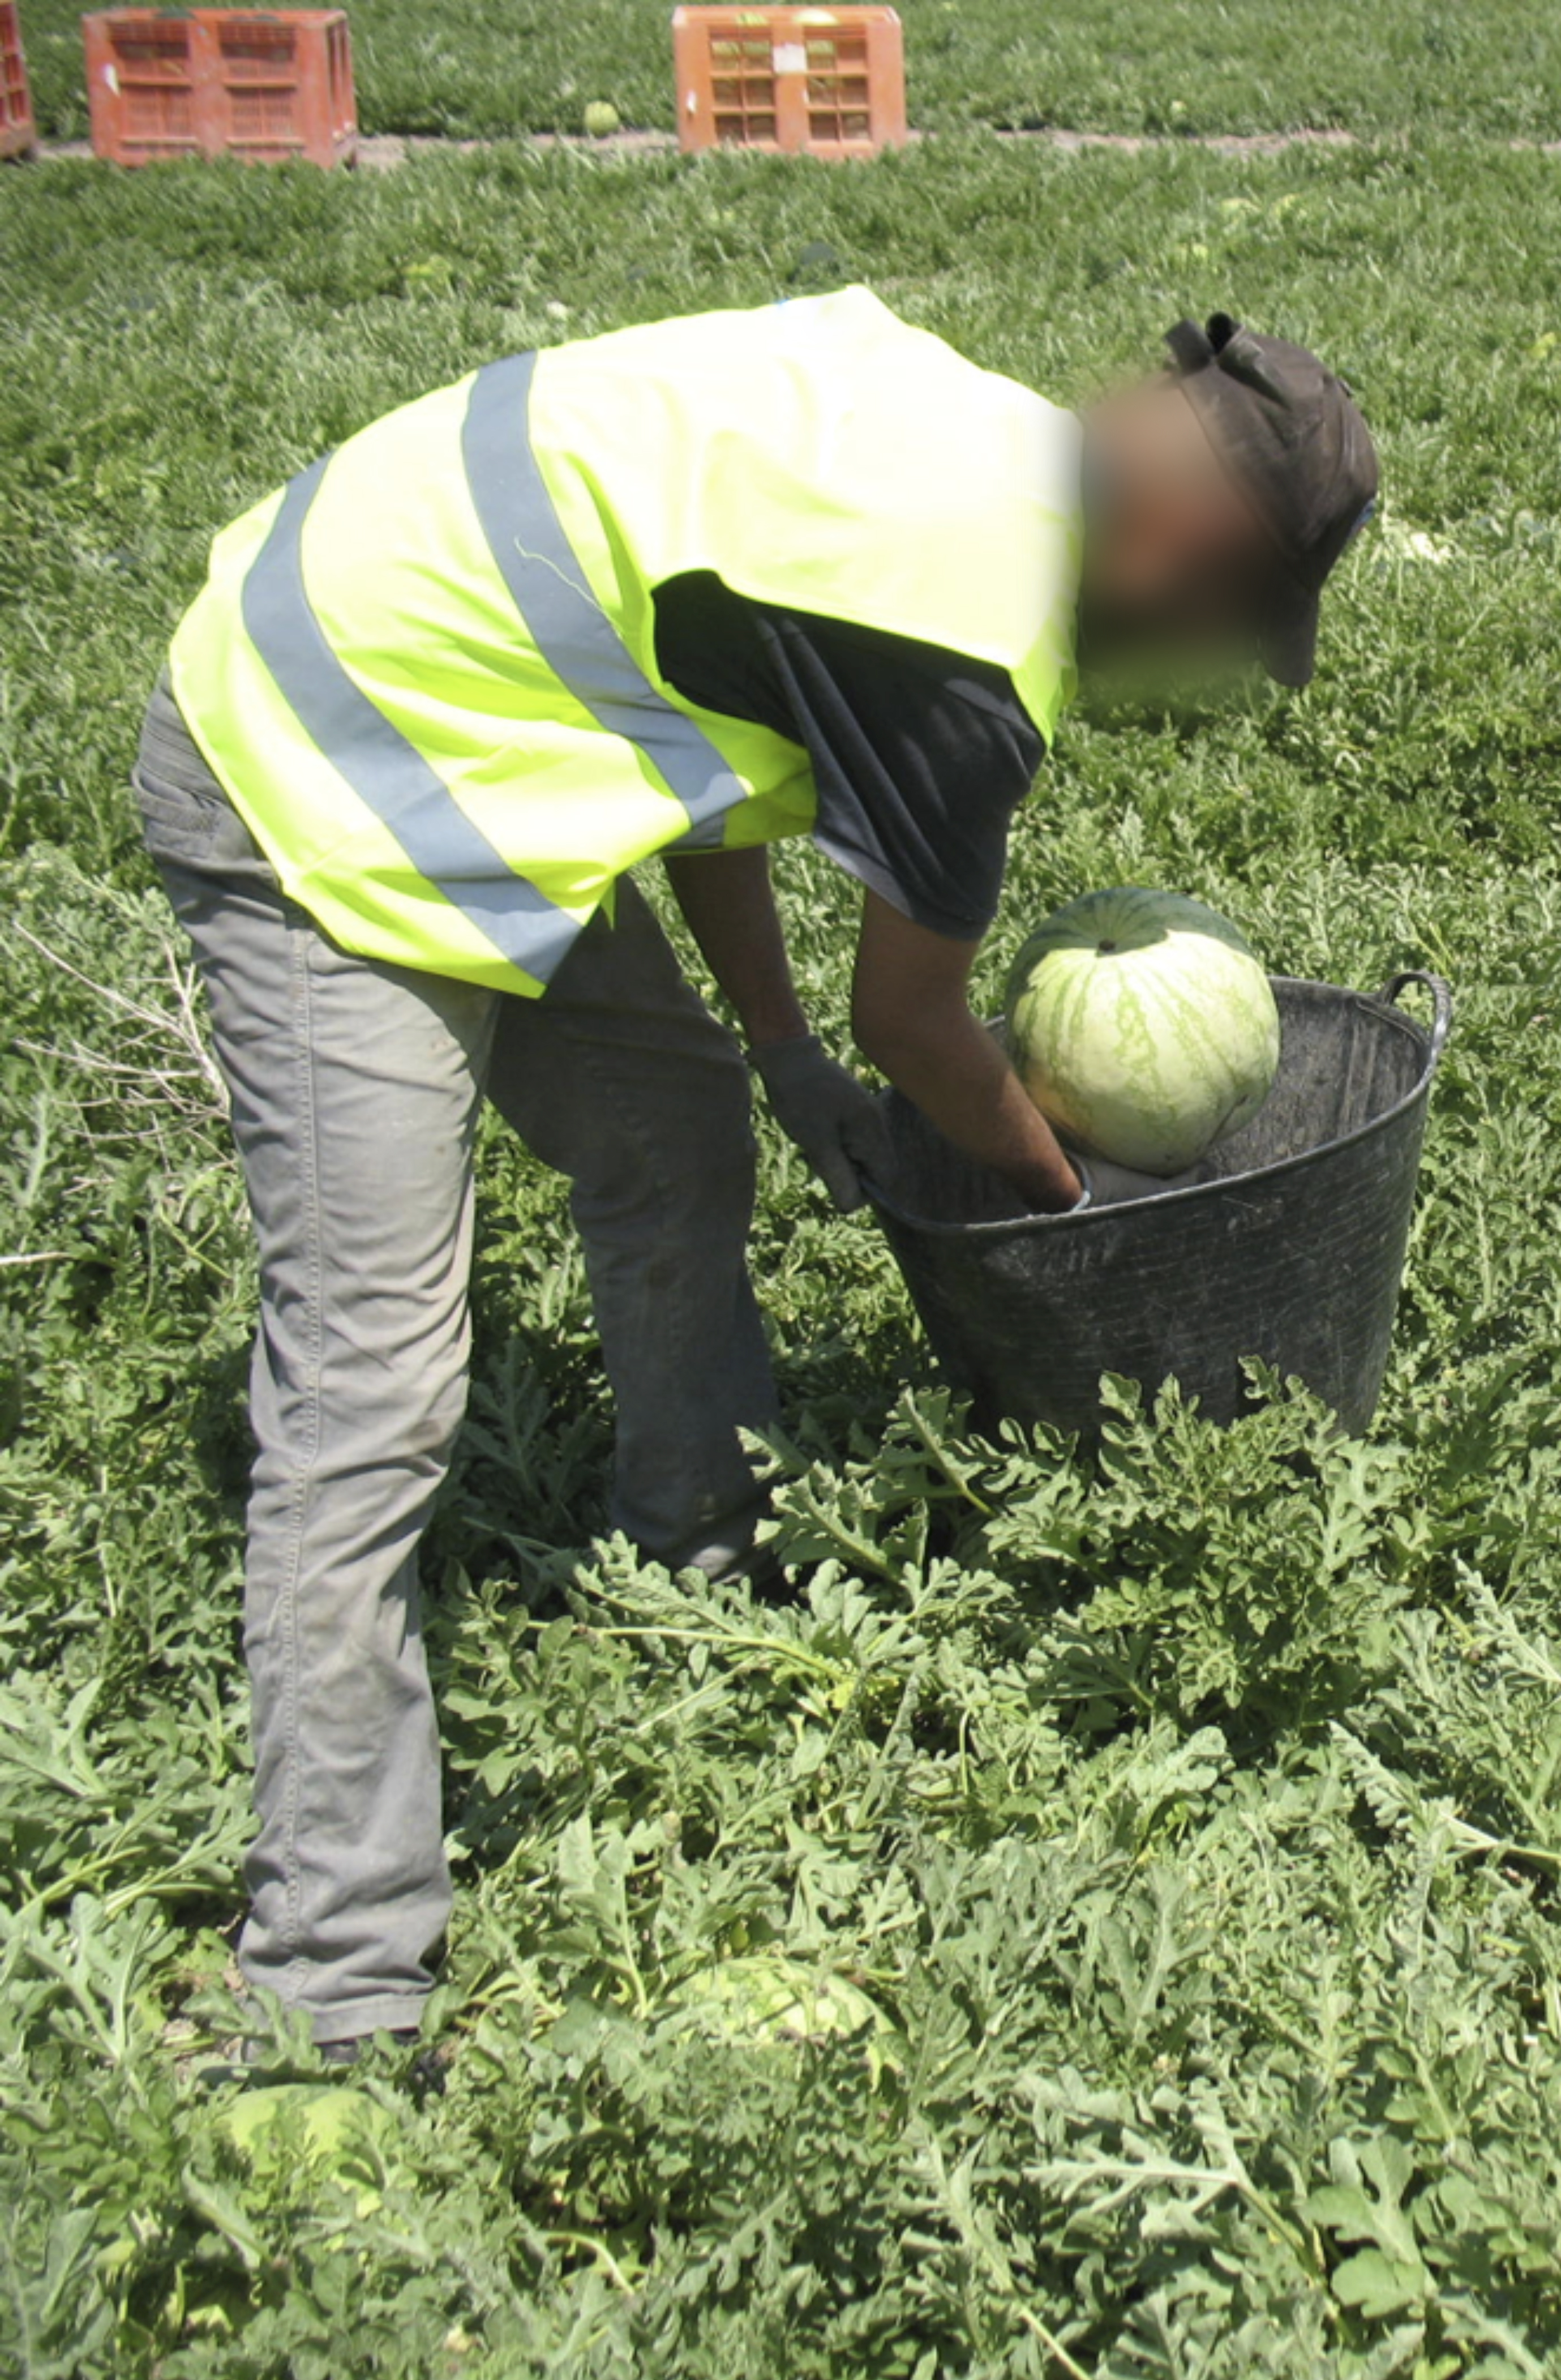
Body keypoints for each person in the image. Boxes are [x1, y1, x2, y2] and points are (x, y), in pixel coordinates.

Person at [136, 290, 1378, 2061]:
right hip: (315, 756)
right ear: (1188, 537)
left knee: (678, 1127)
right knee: (370, 1379)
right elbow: (926, 1025)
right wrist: (1070, 1205)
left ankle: (697, 1559)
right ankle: (328, 1977)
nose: (1188, 652)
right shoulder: (974, 645)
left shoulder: (960, 441)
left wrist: (778, 1058)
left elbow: (695, 766)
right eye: (1226, 617)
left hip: (464, 712)